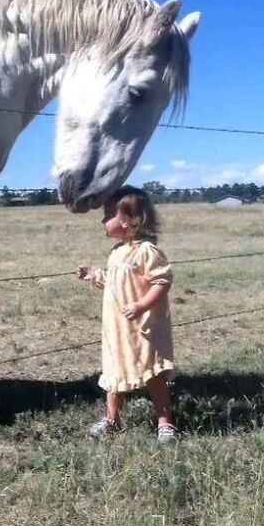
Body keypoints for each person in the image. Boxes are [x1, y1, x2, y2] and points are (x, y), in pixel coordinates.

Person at [77, 185, 177, 444]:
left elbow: (162, 282)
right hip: (117, 331)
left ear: (127, 220)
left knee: (152, 374)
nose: (102, 219)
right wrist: (94, 274)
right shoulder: (116, 252)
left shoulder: (146, 251)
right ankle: (111, 420)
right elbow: (113, 281)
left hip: (143, 328)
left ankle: (164, 422)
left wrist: (142, 305)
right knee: (113, 377)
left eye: (107, 214)